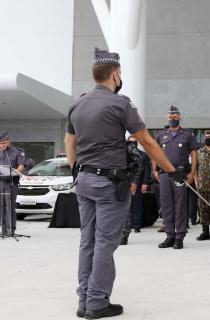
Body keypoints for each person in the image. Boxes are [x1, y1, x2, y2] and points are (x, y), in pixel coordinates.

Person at [65, 47, 175, 319]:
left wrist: (75, 170)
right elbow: (147, 141)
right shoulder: (120, 104)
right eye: (121, 74)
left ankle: (84, 298)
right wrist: (171, 170)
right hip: (109, 184)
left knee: (87, 240)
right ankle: (97, 302)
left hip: (84, 179)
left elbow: (70, 142)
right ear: (114, 75)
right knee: (105, 242)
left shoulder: (77, 104)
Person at [152, 106, 199, 250]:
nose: (172, 119)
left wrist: (192, 173)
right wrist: (154, 169)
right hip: (165, 174)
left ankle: (179, 237)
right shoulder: (161, 135)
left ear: (179, 117)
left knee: (180, 206)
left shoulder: (187, 135)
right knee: (166, 205)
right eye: (170, 117)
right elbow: (156, 152)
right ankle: (169, 235)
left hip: (180, 174)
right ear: (167, 118)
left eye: (175, 116)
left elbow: (194, 154)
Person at [120, 136, 147, 245]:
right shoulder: (107, 145)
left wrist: (134, 181)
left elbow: (140, 164)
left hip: (125, 181)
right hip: (108, 180)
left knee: (125, 209)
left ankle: (124, 235)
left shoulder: (129, 146)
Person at [0, 131, 25, 236]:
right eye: (0, 143)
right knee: (1, 206)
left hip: (11, 183)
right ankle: (3, 230)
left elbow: (21, 166)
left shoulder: (17, 152)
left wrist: (17, 171)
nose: (2, 145)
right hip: (0, 182)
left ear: (9, 141)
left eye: (4, 143)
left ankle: (11, 230)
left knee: (9, 206)